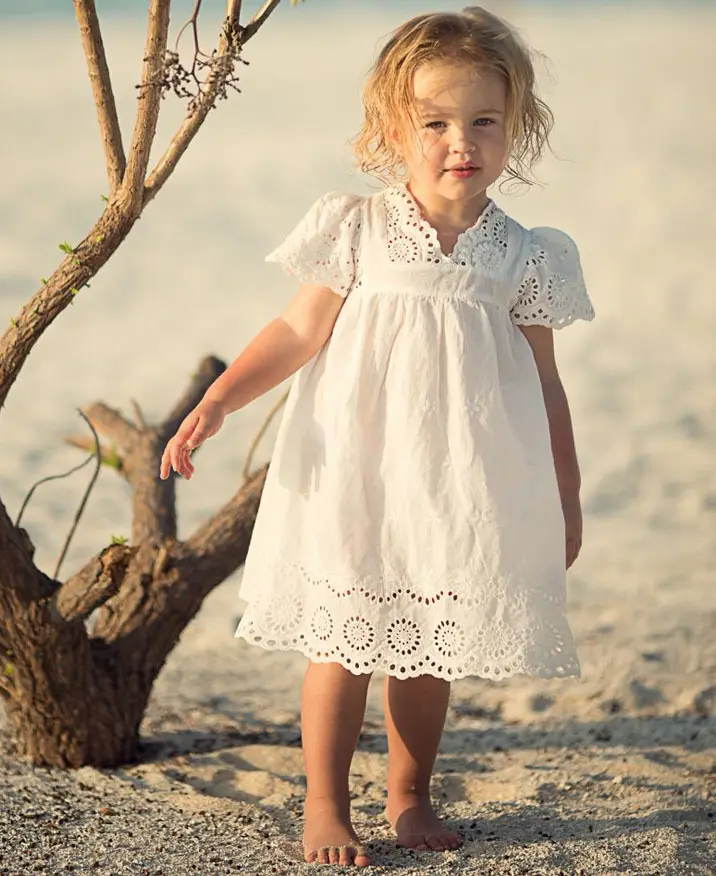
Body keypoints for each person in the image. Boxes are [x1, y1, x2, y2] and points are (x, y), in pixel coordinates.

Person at [160, 5, 594, 867]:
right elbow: (296, 332)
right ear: (393, 130)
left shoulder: (525, 254)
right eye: (433, 123)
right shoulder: (355, 226)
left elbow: (545, 383)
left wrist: (564, 493)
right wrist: (218, 401)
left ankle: (408, 794)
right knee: (340, 641)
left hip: (455, 485)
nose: (458, 141)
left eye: (483, 121)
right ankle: (325, 804)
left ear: (516, 129)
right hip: (359, 470)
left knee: (427, 648)